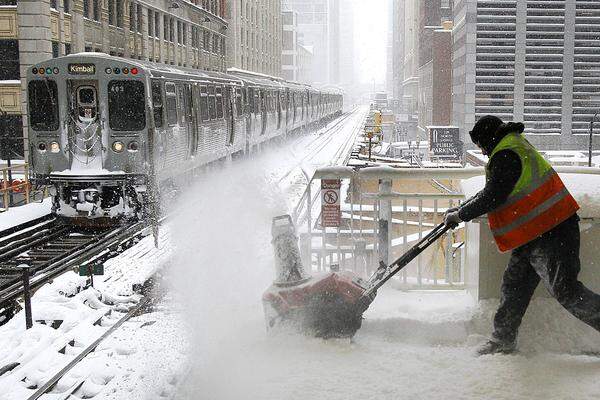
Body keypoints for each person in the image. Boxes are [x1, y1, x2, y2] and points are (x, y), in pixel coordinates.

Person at [445, 115, 600, 355]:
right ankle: (503, 341)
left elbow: (494, 195)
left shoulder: (506, 155)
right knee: (515, 285)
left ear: (487, 138)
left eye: (481, 145)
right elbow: (492, 190)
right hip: (534, 233)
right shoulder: (510, 146)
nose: (483, 152)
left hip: (553, 230)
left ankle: (502, 340)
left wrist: (461, 215)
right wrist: (460, 210)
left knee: (566, 290)